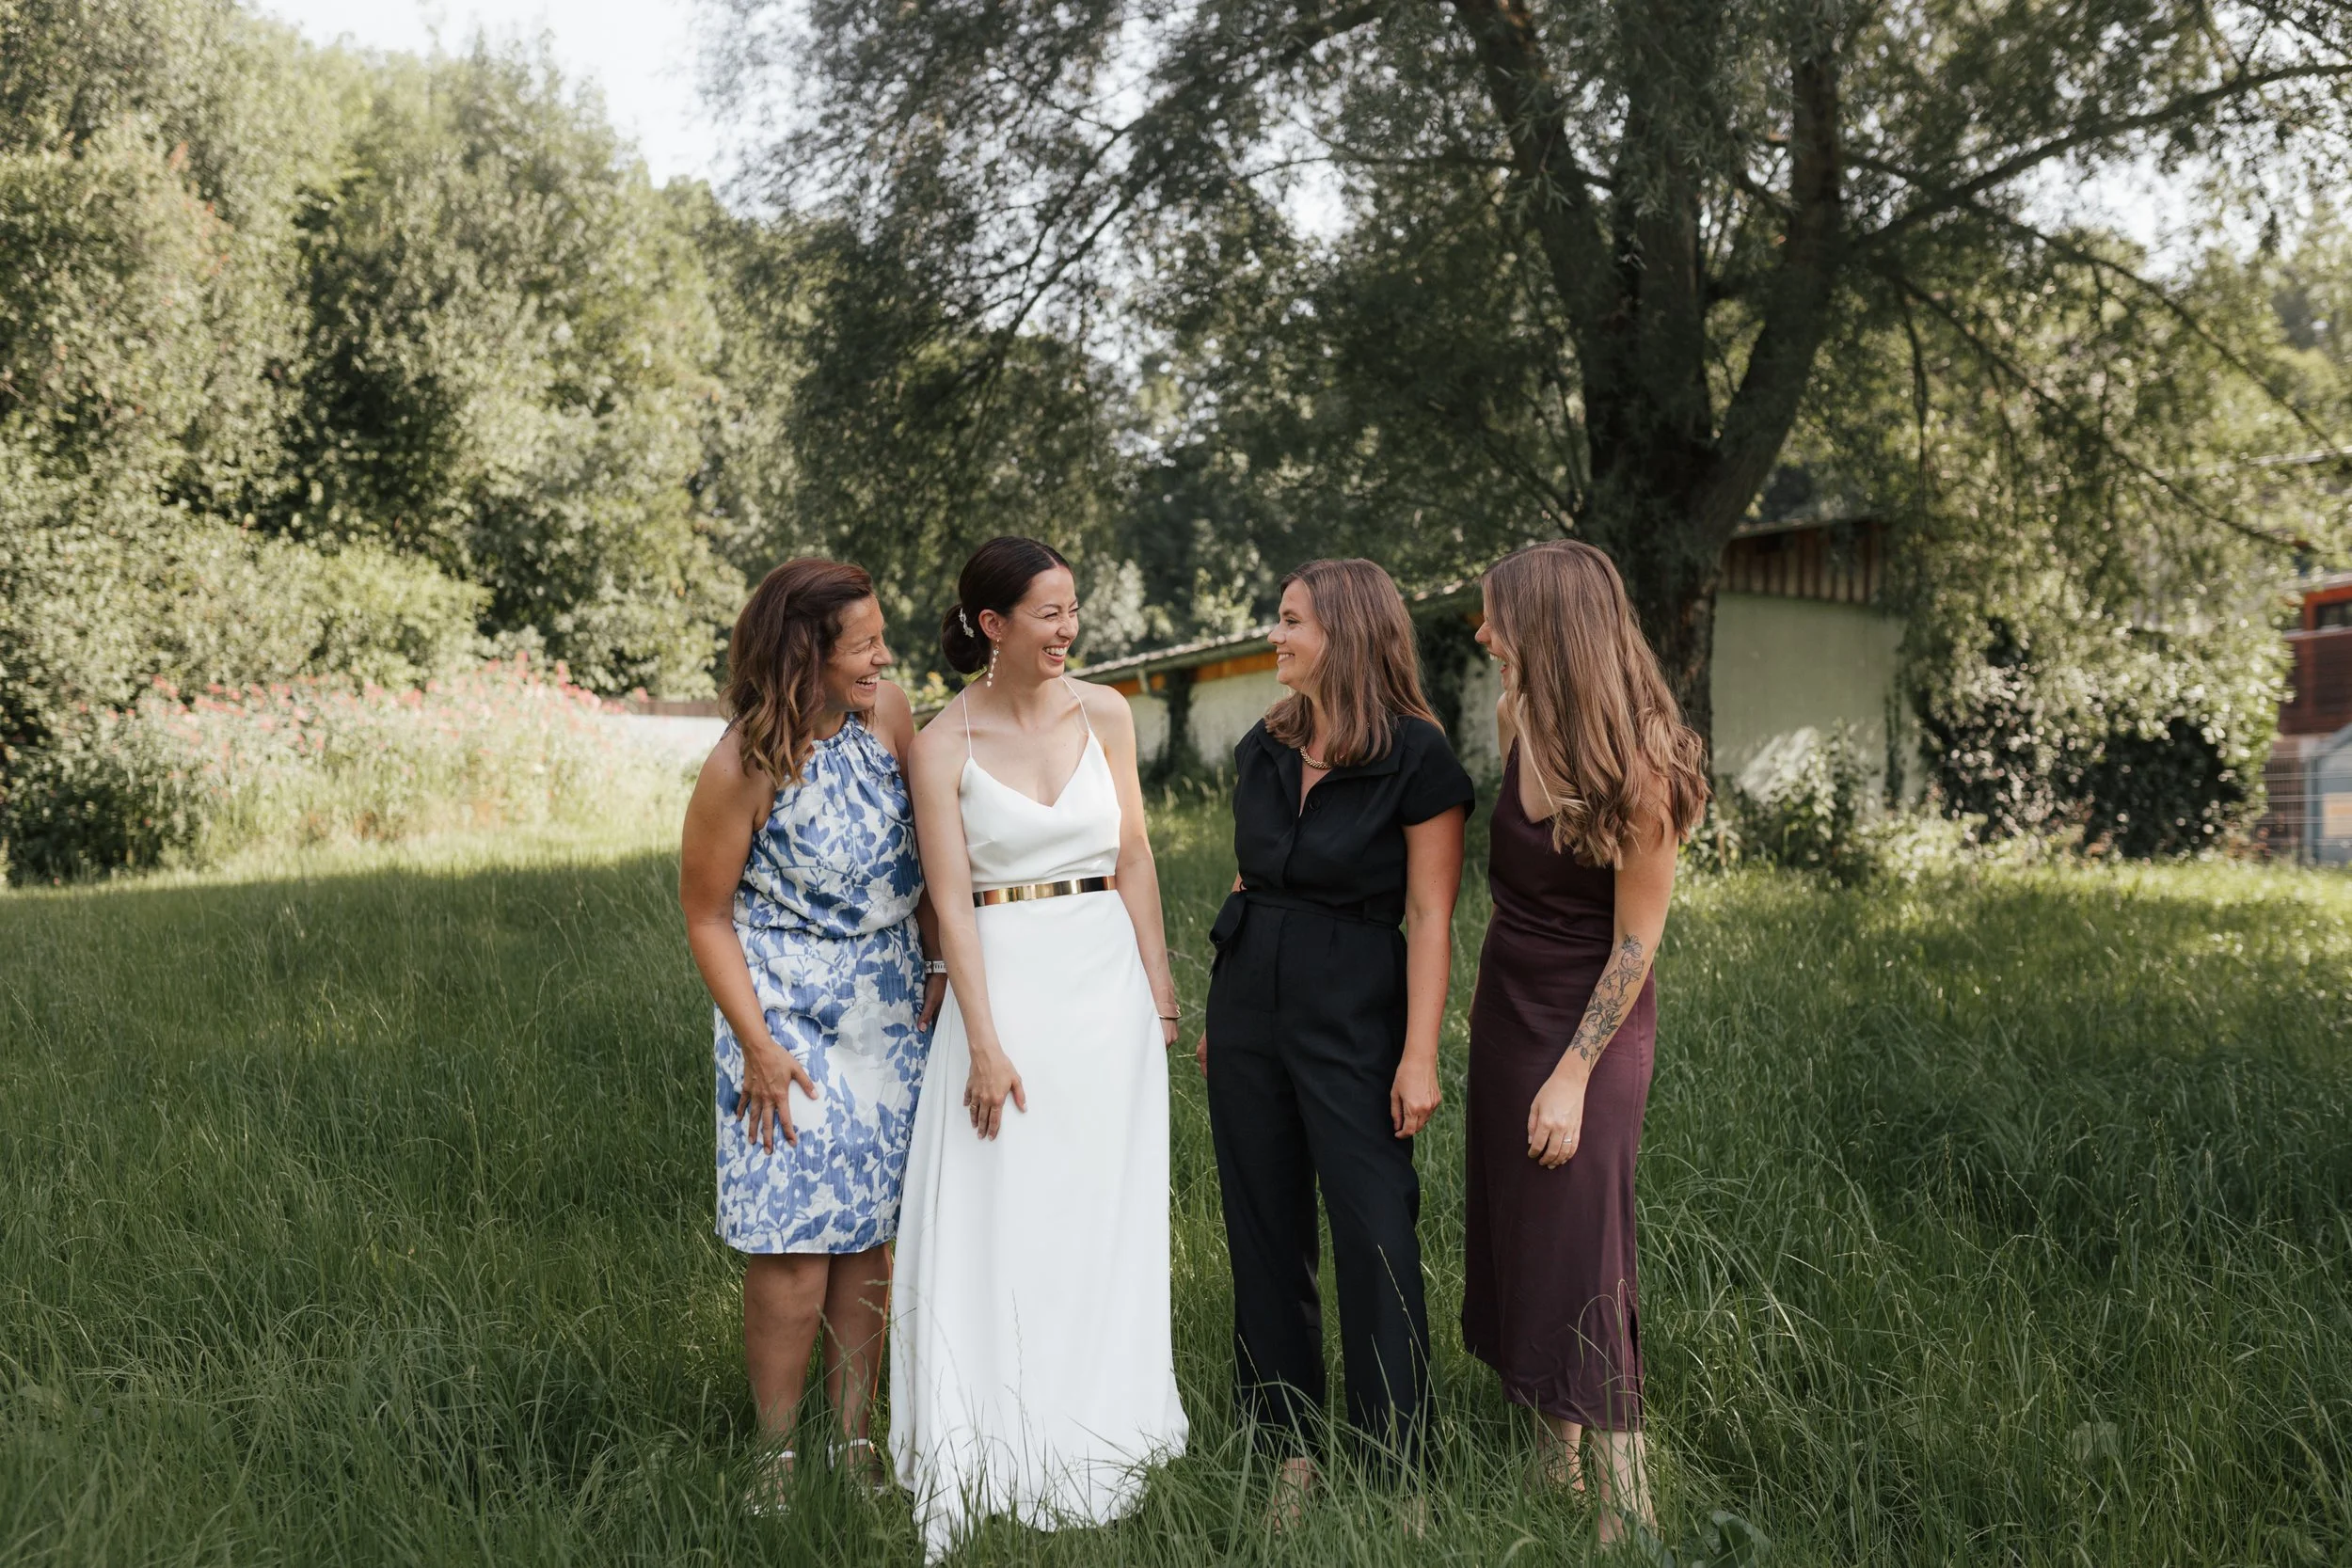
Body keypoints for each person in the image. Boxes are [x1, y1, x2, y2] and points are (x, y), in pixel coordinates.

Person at [889, 536, 1189, 1560]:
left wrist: (1159, 993)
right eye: (1049, 613)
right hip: (1005, 995)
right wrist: (982, 1041)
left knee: (1100, 1211)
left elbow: (1134, 854)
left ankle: (1104, 1418)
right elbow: (949, 902)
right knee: (1008, 1210)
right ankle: (995, 1433)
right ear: (993, 624)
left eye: (1073, 610)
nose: (1069, 629)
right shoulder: (944, 742)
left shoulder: (1106, 713)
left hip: (1106, 993)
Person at [1198, 558, 1473, 1519]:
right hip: (1248, 1001)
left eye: (1291, 620)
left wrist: (1419, 1053)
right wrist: (1222, 1011)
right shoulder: (1264, 743)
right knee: (1264, 1229)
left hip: (1355, 1004)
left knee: (1375, 1228)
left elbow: (1430, 916)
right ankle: (1287, 1452)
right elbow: (1247, 878)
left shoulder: (1418, 756)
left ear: (1346, 631)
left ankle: (1399, 1467)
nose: (1275, 635)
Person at [677, 559, 944, 1513]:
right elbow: (706, 913)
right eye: (863, 645)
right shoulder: (742, 762)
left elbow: (928, 855)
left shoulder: (889, 719)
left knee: (869, 1237)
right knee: (792, 1243)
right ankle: (778, 1456)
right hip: (782, 1021)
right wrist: (755, 1043)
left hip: (888, 1011)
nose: (883, 658)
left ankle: (858, 1440)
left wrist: (938, 963)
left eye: (881, 639)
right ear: (805, 654)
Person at [1459, 540, 1709, 1543]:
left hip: (1589, 1023)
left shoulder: (1644, 760)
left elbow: (1636, 943)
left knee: (1585, 1246)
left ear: (1548, 626)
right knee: (1524, 1233)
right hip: (1506, 1008)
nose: (1484, 631)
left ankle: (1625, 1501)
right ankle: (1550, 1464)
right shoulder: (1517, 716)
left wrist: (1571, 1073)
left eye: (1497, 615)